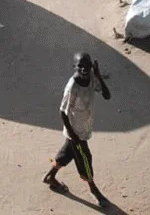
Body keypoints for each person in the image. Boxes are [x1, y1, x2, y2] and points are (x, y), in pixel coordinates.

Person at [43, 53, 112, 208]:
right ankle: (94, 190)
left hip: (84, 128)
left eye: (86, 65)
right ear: (74, 67)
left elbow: (107, 95)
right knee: (85, 159)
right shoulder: (72, 86)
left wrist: (99, 76)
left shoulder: (92, 78)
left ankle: (50, 177)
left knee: (66, 154)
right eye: (80, 66)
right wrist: (73, 135)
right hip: (75, 131)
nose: (83, 69)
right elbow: (62, 111)